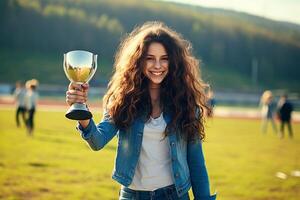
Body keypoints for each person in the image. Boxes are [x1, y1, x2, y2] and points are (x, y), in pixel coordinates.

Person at [66, 21, 216, 200]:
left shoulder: (185, 104)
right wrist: (81, 110)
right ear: (139, 60)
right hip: (132, 196)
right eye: (150, 58)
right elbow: (97, 141)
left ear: (174, 61)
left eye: (164, 58)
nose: (157, 65)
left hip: (174, 196)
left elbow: (196, 162)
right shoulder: (123, 100)